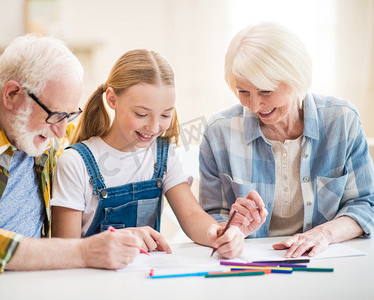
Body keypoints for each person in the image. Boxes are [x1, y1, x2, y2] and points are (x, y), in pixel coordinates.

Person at [0, 34, 143, 298]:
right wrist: (83, 252)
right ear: (13, 94)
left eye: (70, 115)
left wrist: (122, 237)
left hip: (34, 284)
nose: (62, 132)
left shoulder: (37, 129)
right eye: (56, 116)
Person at [199, 22, 374, 258]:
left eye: (266, 91)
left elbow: (366, 204)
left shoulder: (342, 120)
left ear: (296, 77)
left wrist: (325, 234)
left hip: (325, 258)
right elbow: (212, 215)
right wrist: (230, 232)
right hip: (250, 263)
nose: (254, 105)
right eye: (243, 92)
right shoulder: (218, 132)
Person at [51, 49, 244, 259]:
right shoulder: (75, 162)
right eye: (141, 114)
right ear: (112, 100)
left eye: (165, 114)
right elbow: (64, 250)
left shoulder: (163, 155)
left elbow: (191, 215)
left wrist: (216, 233)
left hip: (147, 279)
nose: (153, 127)